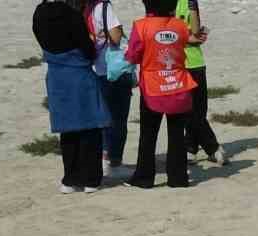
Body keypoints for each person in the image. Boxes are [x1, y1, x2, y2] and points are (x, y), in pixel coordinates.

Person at [33, 0, 111, 193]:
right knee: (90, 127)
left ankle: (71, 178)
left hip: (56, 74)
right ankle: (91, 179)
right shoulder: (72, 15)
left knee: (67, 129)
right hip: (79, 73)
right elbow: (88, 49)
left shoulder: (40, 13)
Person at [123, 0, 196, 189]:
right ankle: (178, 178)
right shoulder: (180, 26)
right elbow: (184, 45)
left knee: (148, 135)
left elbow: (132, 55)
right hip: (178, 85)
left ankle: (144, 178)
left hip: (153, 88)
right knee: (177, 135)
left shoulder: (141, 26)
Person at [87, 0, 135, 171]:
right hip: (112, 69)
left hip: (93, 68)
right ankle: (113, 161)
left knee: (100, 117)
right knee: (118, 118)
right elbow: (115, 37)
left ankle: (101, 157)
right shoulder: (103, 7)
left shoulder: (81, 7)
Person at [174, 0, 224, 164]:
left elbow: (196, 31)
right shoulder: (165, 5)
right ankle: (212, 147)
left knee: (199, 110)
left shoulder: (189, 3)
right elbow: (168, 34)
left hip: (195, 62)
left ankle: (191, 147)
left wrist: (193, 8)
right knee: (188, 111)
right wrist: (188, 38)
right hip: (177, 63)